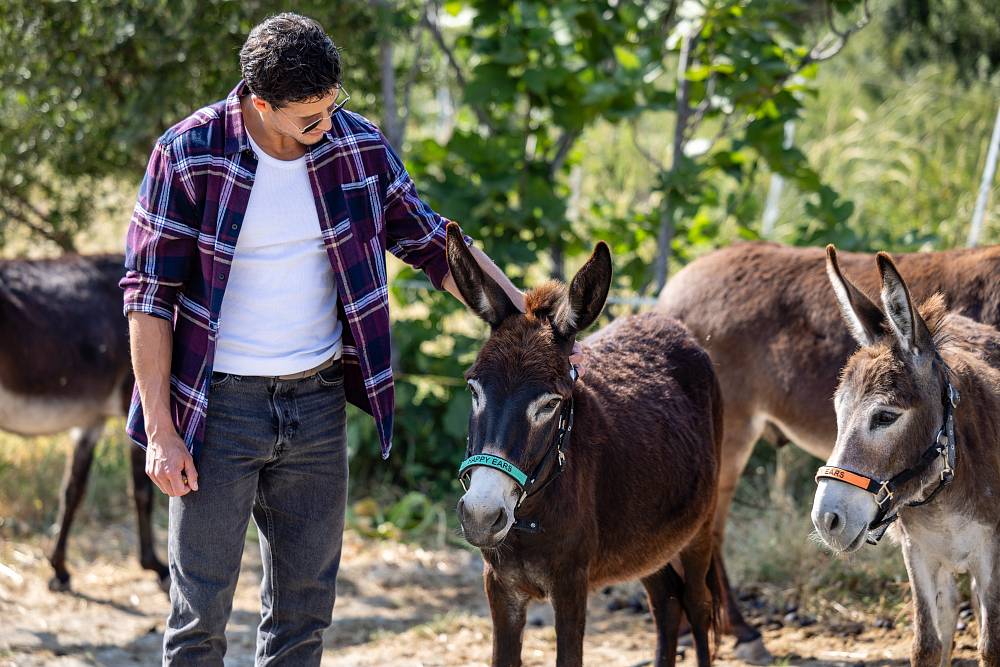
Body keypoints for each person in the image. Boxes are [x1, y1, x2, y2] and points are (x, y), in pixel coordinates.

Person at [121, 12, 583, 666]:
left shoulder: (355, 147)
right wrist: (163, 432)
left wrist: (535, 326)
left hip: (315, 408)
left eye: (333, 109)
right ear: (259, 104)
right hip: (216, 410)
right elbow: (148, 298)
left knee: (304, 612)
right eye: (308, 119)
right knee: (200, 617)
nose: (325, 128)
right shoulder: (188, 154)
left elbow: (434, 245)